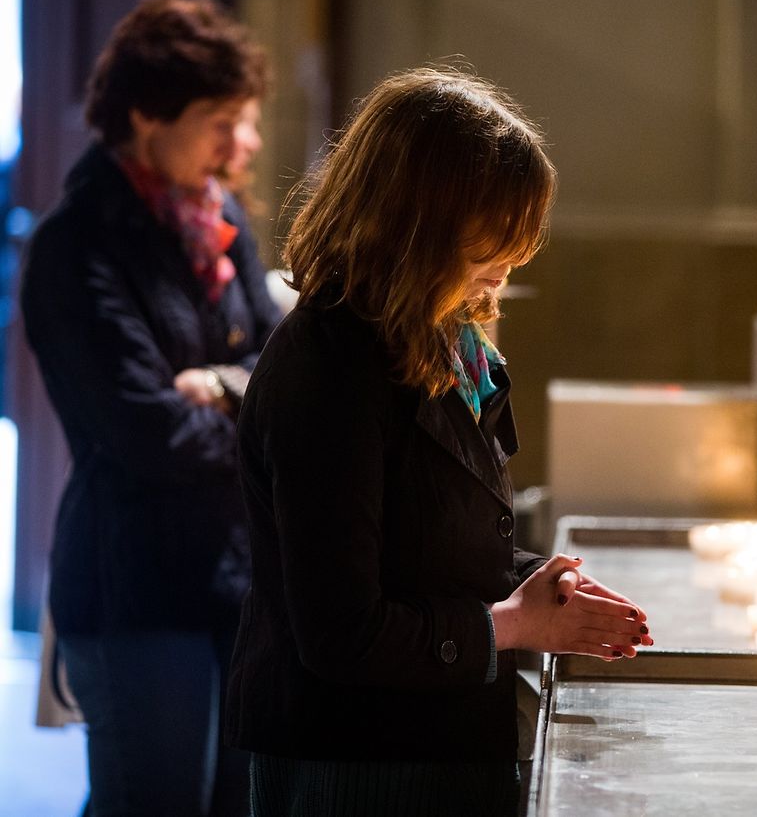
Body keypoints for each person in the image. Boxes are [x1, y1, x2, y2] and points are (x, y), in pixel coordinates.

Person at [224, 68, 654, 816]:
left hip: (437, 741)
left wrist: (544, 584)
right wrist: (516, 622)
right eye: (493, 241)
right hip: (354, 762)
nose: (506, 269)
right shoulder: (329, 369)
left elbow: (428, 542)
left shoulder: (432, 340)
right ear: (417, 223)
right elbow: (343, 632)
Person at [20, 0, 282, 816]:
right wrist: (252, 410)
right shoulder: (75, 245)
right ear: (146, 115)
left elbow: (285, 375)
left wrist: (223, 387)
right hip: (133, 586)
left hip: (234, 577)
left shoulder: (219, 219)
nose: (245, 144)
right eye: (221, 122)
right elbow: (149, 432)